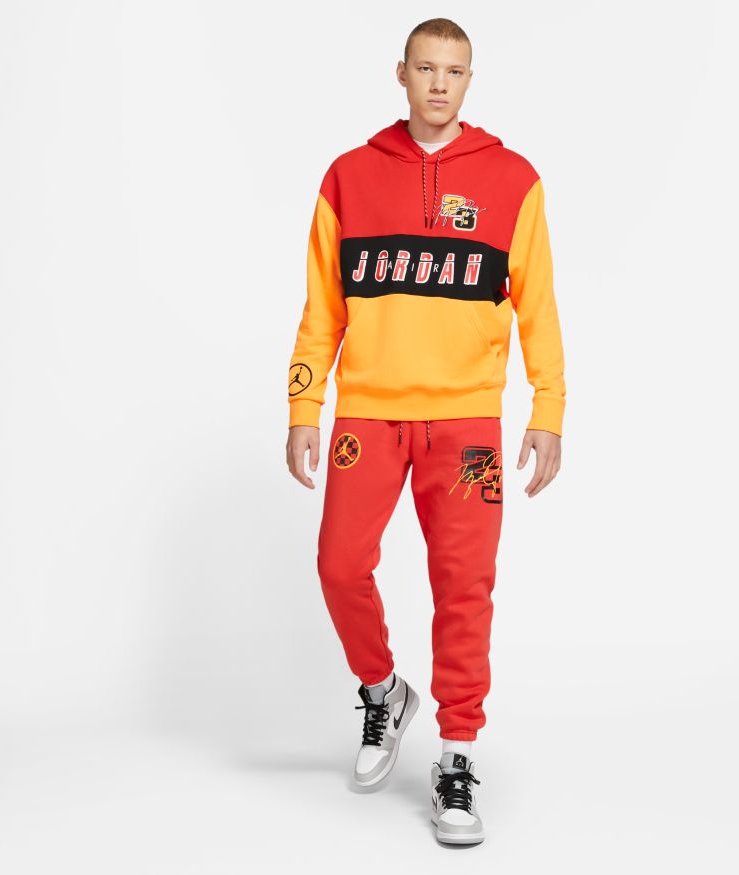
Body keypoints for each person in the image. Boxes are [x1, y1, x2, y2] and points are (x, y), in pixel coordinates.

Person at [285, 18, 566, 845]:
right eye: (426, 68)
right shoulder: (348, 176)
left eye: (454, 71)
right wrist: (304, 406)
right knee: (339, 563)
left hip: (467, 422)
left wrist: (547, 409)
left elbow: (539, 309)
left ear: (468, 80)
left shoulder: (512, 180)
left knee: (463, 585)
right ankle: (383, 691)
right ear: (401, 73)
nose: (439, 84)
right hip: (367, 413)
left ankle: (455, 755)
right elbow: (321, 310)